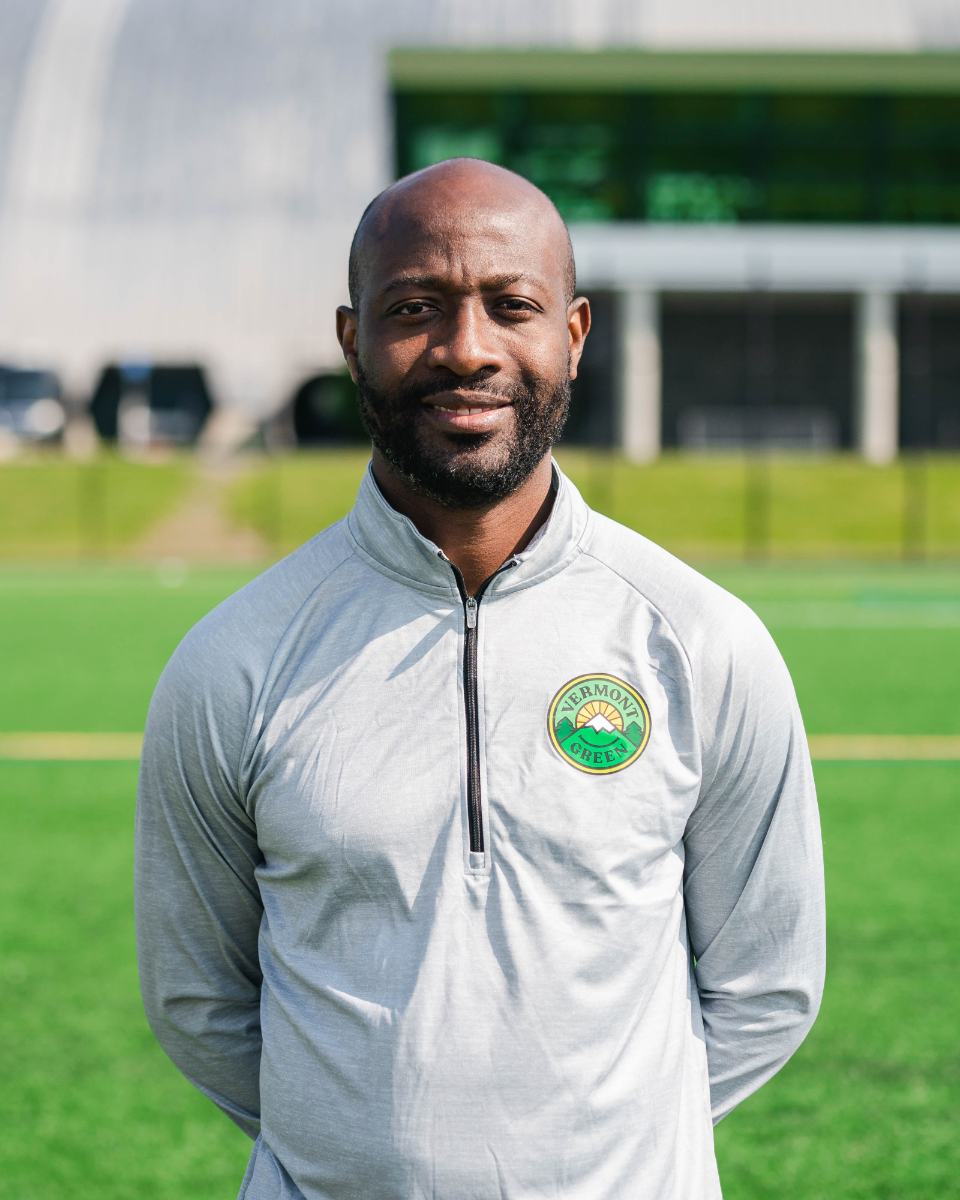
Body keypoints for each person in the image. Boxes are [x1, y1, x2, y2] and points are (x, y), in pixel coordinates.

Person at [135, 158, 825, 1199]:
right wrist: (358, 1146)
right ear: (351, 340)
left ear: (574, 335)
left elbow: (768, 985)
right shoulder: (236, 659)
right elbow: (198, 1002)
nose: (467, 349)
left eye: (512, 306)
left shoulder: (699, 640)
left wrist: (597, 1154)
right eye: (415, 308)